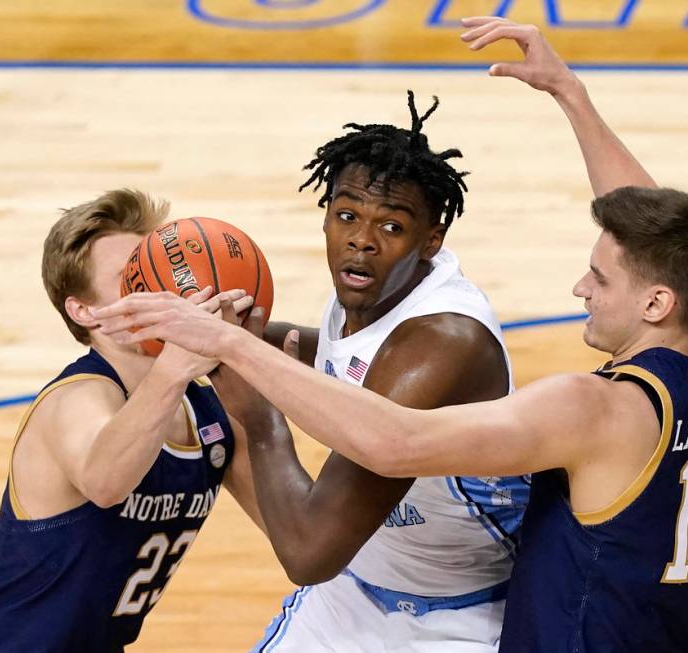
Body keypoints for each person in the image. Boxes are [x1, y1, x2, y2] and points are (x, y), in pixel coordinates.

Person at [95, 17, 688, 652]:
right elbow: (667, 240)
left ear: (656, 302)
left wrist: (235, 354)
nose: (579, 288)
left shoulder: (592, 408)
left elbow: (397, 442)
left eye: (599, 276)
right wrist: (570, 94)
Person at [209, 90, 527, 652]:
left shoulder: (440, 343)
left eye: (392, 227)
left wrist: (259, 419)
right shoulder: (368, 292)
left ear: (432, 240)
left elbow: (309, 552)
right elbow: (337, 360)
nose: (362, 239)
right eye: (348, 215)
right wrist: (232, 335)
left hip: (469, 613)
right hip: (355, 590)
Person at [0, 189, 262, 652]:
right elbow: (105, 481)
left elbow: (294, 539)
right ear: (84, 310)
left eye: (157, 271)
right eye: (131, 278)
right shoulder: (76, 399)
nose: (157, 290)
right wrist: (176, 365)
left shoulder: (205, 408)